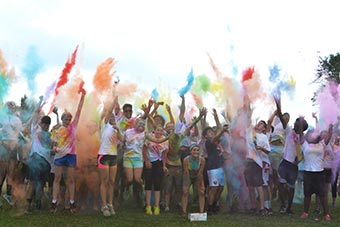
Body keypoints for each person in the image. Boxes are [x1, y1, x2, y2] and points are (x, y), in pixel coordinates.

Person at [50, 86, 86, 213]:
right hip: (60, 156)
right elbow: (53, 144)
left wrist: (83, 96)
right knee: (57, 178)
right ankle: (54, 202)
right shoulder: (57, 130)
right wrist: (54, 148)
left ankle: (71, 202)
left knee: (71, 179)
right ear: (62, 119)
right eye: (66, 119)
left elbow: (79, 110)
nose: (68, 121)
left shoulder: (73, 127)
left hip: (71, 155)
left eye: (69, 119)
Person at [276, 96, 308, 215]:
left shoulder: (303, 138)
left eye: (298, 124)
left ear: (302, 128)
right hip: (284, 163)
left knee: (291, 187)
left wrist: (298, 161)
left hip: (293, 166)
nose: (295, 124)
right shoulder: (289, 130)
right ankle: (283, 204)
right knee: (280, 184)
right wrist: (278, 105)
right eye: (295, 122)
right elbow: (281, 117)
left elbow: (304, 153)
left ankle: (289, 208)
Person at [97, 87, 123, 216]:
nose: (112, 116)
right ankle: (103, 206)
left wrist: (118, 129)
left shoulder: (115, 127)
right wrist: (115, 95)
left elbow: (122, 140)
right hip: (103, 155)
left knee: (112, 181)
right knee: (104, 181)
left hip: (113, 156)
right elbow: (110, 110)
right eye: (110, 115)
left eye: (114, 116)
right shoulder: (104, 123)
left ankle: (110, 204)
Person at [300, 125, 332, 221]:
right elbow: (301, 133)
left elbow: (329, 135)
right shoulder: (304, 144)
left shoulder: (322, 144)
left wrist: (330, 126)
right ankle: (305, 212)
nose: (312, 134)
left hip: (319, 173)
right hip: (308, 173)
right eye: (310, 133)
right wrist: (301, 121)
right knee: (307, 194)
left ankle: (326, 214)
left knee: (322, 194)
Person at [0, 101, 23, 206]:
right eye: (8, 106)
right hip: (3, 147)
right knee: (2, 173)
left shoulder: (17, 120)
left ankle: (8, 194)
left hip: (13, 148)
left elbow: (19, 134)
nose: (10, 108)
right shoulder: (2, 118)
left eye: (12, 106)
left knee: (11, 172)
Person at [203, 123, 229, 215]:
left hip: (220, 167)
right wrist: (222, 130)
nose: (212, 133)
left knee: (220, 188)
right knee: (213, 188)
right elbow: (215, 138)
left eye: (212, 132)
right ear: (206, 136)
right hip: (213, 168)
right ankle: (210, 208)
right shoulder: (208, 142)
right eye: (209, 132)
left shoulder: (217, 144)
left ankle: (214, 205)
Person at [181, 144, 205, 216]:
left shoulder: (202, 160)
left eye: (198, 150)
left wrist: (201, 185)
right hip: (188, 174)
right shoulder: (186, 160)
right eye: (194, 150)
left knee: (201, 192)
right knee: (185, 192)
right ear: (190, 151)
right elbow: (186, 172)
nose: (196, 152)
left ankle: (201, 212)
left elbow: (200, 173)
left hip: (198, 175)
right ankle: (184, 211)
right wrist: (186, 185)